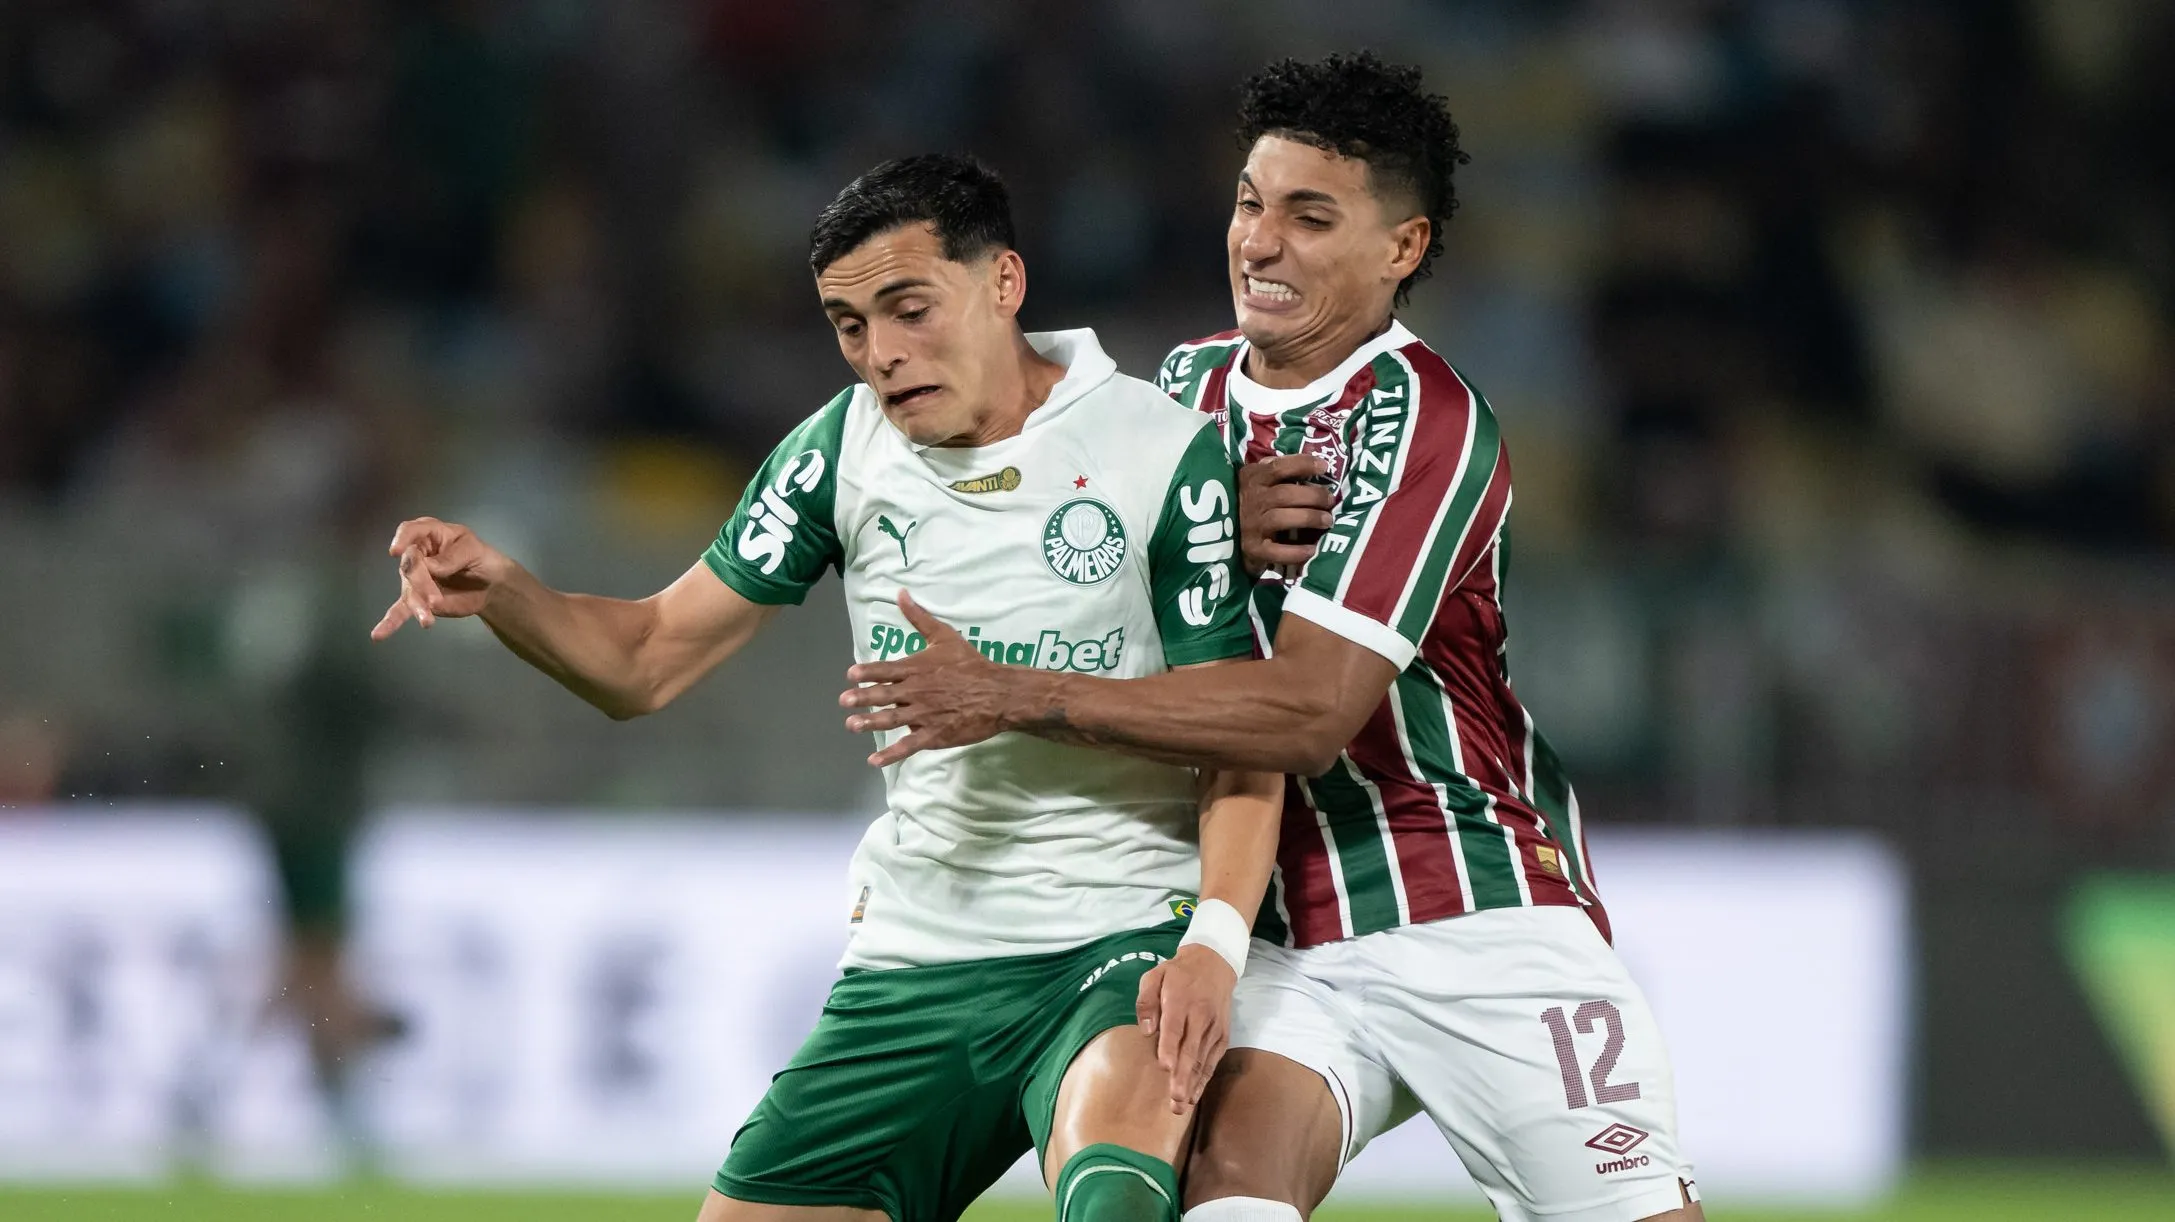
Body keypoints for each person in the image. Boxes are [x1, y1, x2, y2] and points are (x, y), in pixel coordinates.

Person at [838, 57, 1702, 1222]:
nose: (1262, 242)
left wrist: (1012, 693)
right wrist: (1192, 536)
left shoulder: (1424, 418)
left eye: (1311, 216)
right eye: (1251, 202)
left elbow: (1305, 714)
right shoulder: (1180, 394)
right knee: (1223, 1204)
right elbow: (1084, 590)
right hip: (1271, 930)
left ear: (1401, 248)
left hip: (1472, 910)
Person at [371, 154, 1282, 1222]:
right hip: (918, 955)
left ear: (1004, 282)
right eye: (850, 327)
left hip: (1120, 936)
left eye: (908, 309)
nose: (882, 356)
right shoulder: (838, 453)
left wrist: (1215, 946)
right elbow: (648, 656)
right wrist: (512, 593)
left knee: (1113, 1204)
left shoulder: (1156, 452)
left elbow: (1242, 731)